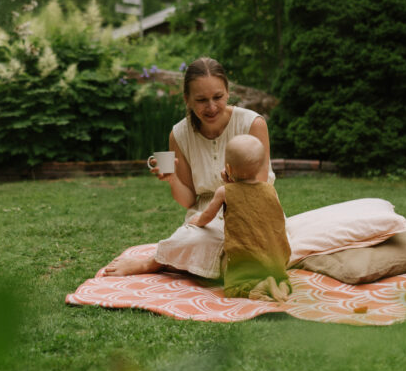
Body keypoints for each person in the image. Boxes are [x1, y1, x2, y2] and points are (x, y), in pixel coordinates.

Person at [104, 57, 274, 279]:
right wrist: (172, 178)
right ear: (187, 99)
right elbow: (188, 200)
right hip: (204, 219)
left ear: (227, 92)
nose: (211, 107)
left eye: (218, 97)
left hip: (250, 210)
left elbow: (259, 187)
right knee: (194, 240)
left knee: (252, 245)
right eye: (201, 100)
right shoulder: (179, 134)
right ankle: (150, 264)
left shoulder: (252, 123)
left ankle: (172, 261)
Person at [190, 134, 291, 301]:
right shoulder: (270, 189)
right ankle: (282, 286)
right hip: (276, 259)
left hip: (247, 261)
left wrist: (198, 221)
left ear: (228, 169)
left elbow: (208, 215)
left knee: (234, 287)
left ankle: (262, 286)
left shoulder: (224, 192)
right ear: (260, 167)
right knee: (282, 278)